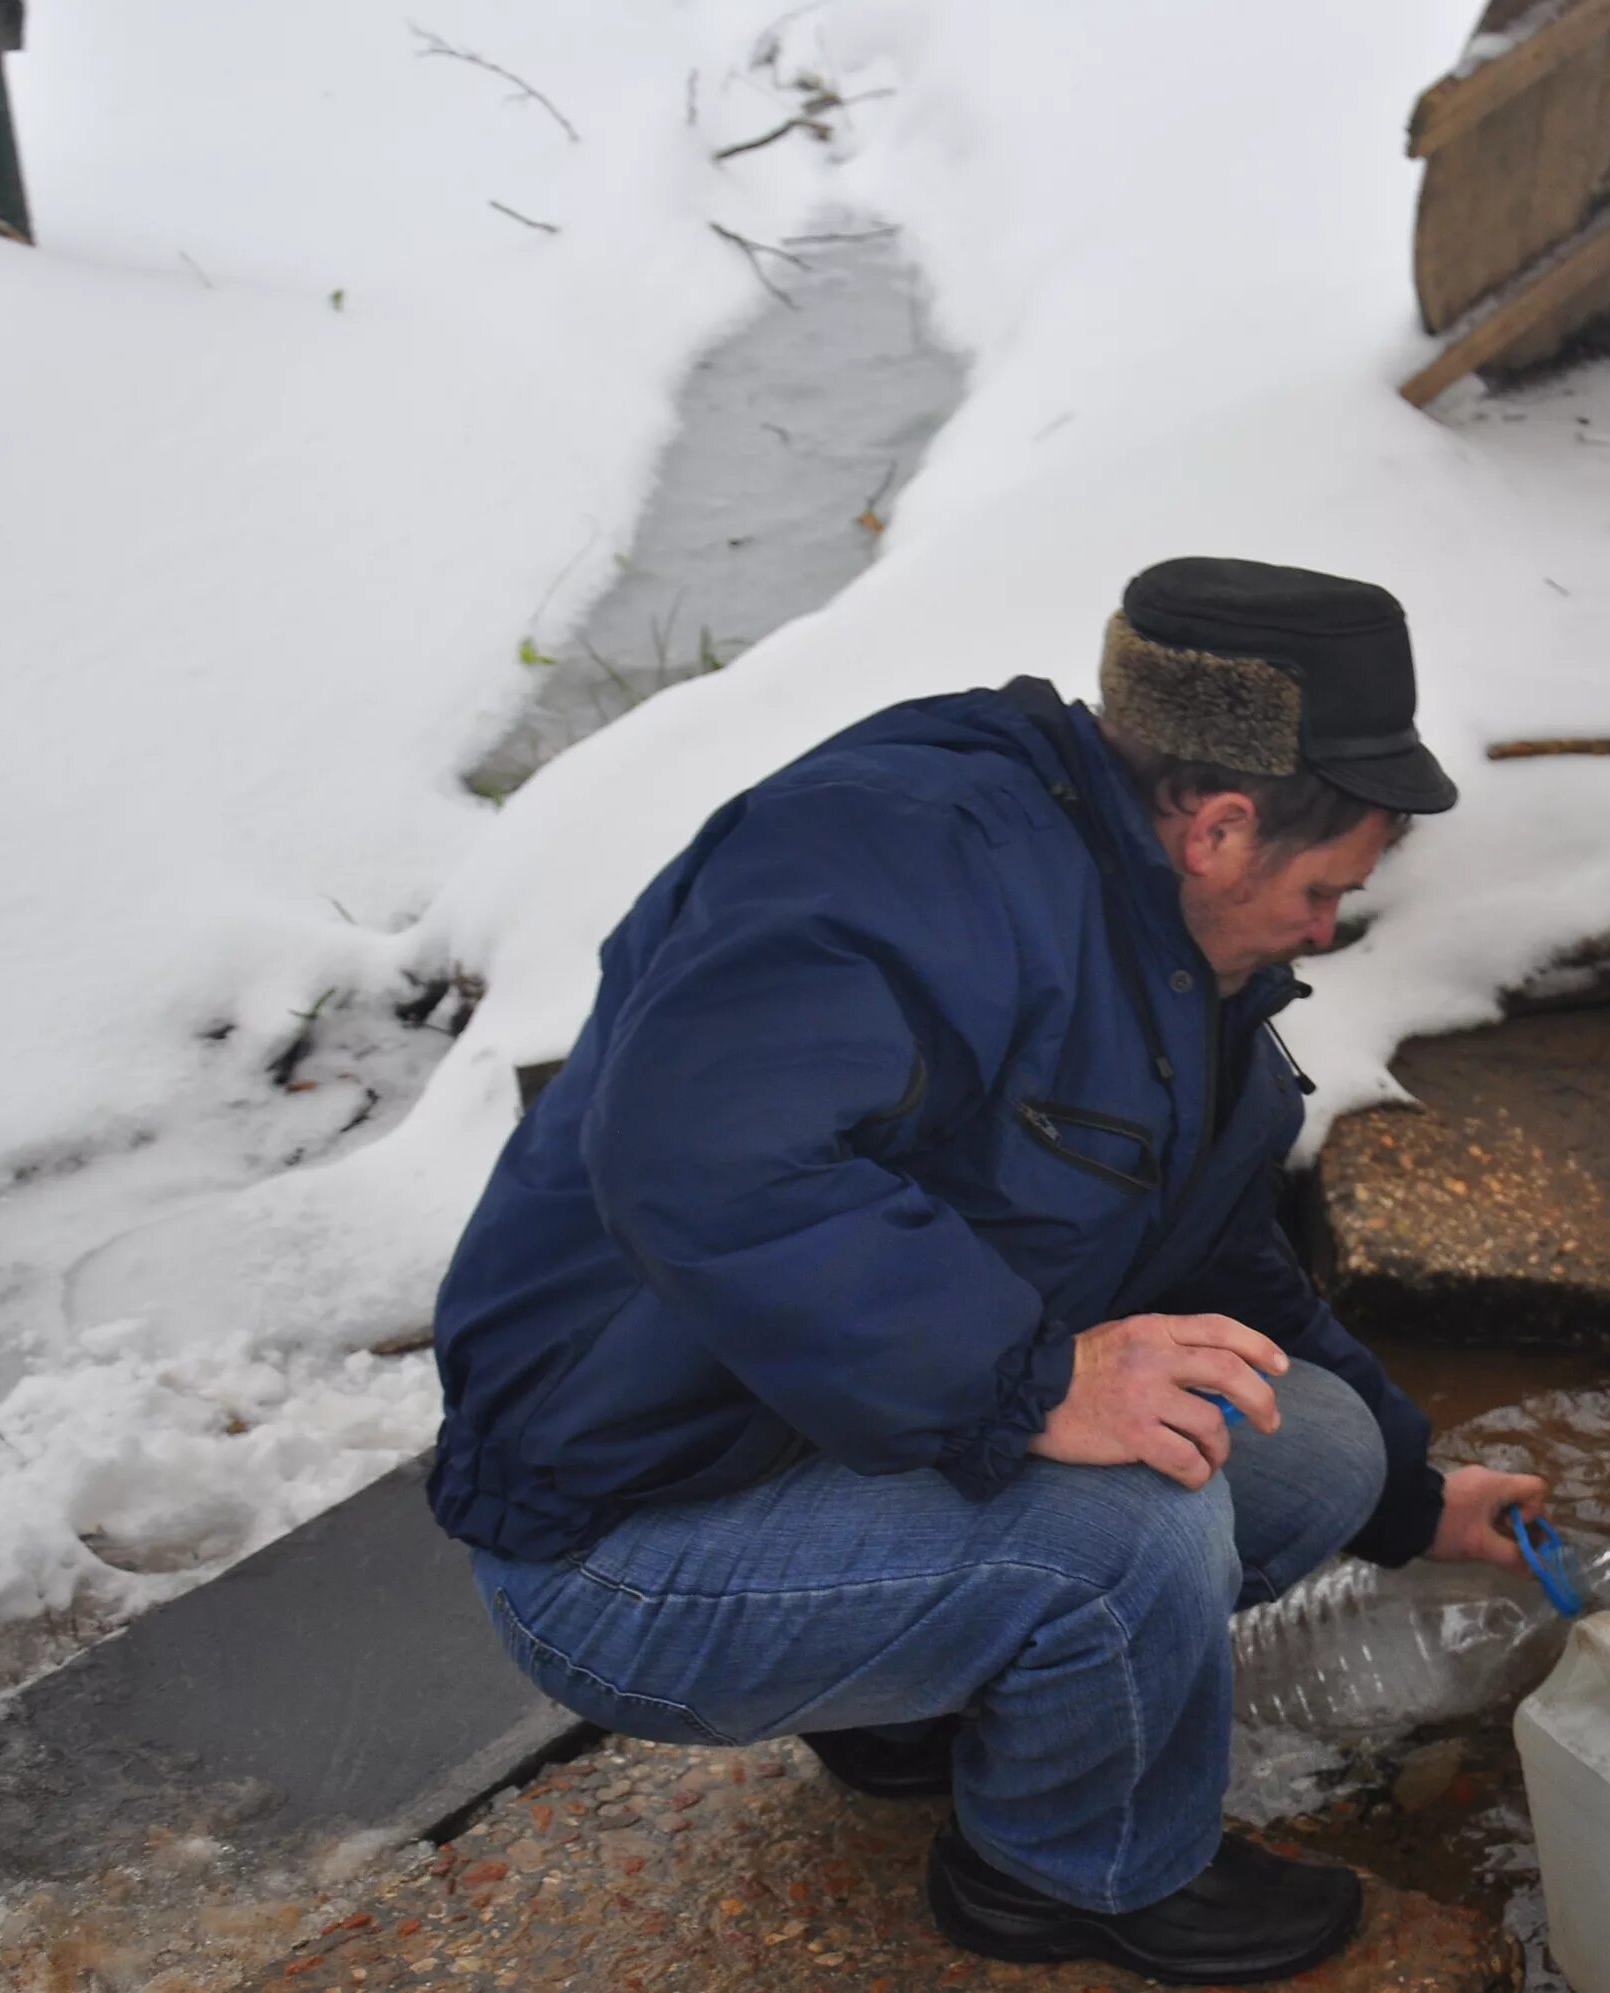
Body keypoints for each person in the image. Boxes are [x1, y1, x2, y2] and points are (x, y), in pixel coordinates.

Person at [425, 556, 1551, 1985]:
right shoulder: (903, 855)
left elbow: (1217, 1258)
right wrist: (1033, 1377)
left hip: (793, 1446)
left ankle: (914, 1692)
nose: (1326, 930)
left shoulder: (1154, 941)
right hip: (615, 1538)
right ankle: (1064, 1871)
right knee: (1138, 1527)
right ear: (1219, 826)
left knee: (1297, 1436)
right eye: (1326, 888)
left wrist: (1413, 1495)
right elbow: (700, 1154)